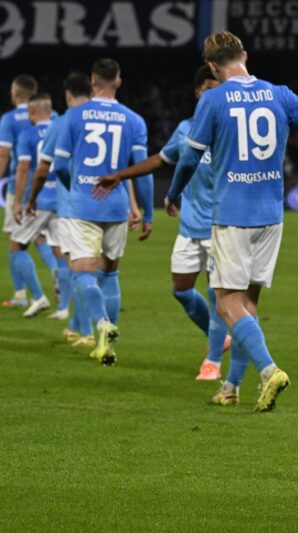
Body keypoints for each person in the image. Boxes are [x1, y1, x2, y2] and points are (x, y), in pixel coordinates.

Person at [165, 31, 298, 411]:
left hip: (233, 215)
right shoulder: (280, 93)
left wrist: (172, 193)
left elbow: (189, 158)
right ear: (245, 55)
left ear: (213, 66)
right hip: (271, 216)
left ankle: (268, 370)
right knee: (248, 303)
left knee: (226, 304)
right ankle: (231, 387)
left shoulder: (213, 99)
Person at [94, 65, 231, 380]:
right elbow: (160, 159)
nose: (213, 95)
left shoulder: (229, 128)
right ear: (197, 92)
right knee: (181, 290)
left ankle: (212, 361)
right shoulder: (185, 129)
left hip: (221, 224)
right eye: (209, 89)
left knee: (215, 292)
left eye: (218, 90)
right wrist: (120, 175)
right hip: (190, 226)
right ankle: (221, 336)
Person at [53, 59, 154, 365]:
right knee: (110, 273)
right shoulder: (134, 120)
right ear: (119, 82)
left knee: (82, 271)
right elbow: (143, 173)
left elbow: (59, 165)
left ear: (93, 80)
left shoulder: (74, 116)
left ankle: (101, 325)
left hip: (82, 204)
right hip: (117, 205)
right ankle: (107, 344)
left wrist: (75, 188)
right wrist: (147, 213)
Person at [27, 72, 97, 346]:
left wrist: (32, 199)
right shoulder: (109, 117)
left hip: (72, 205)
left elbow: (45, 168)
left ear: (68, 95)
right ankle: (76, 324)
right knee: (99, 271)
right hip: (105, 205)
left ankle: (89, 330)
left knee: (77, 267)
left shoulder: (64, 121)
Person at [0, 74, 58, 308]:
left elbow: (4, 154)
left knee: (15, 240)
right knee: (42, 237)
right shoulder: (53, 115)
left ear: (15, 94)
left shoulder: (9, 119)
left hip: (21, 185)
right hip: (54, 190)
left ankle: (22, 295)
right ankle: (55, 269)